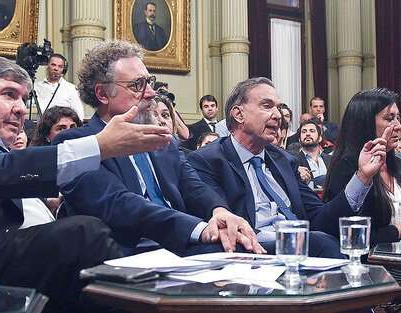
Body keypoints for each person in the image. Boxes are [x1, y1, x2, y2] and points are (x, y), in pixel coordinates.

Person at [0, 55, 173, 312]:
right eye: (9, 95)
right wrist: (100, 146)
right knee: (82, 235)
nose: (22, 108)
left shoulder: (3, 150)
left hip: (16, 268)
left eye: (24, 99)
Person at [53, 40, 265, 257]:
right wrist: (199, 229)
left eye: (149, 82)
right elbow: (120, 205)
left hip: (181, 246)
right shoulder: (77, 145)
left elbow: (193, 188)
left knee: (249, 247)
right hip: (128, 255)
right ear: (103, 94)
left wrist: (218, 211)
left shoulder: (164, 141)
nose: (151, 93)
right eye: (137, 85)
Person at [188, 77, 388, 257]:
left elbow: (321, 219)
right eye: (267, 106)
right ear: (239, 114)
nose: (278, 115)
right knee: (323, 244)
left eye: (278, 107)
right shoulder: (207, 160)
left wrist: (362, 177)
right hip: (254, 252)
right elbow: (217, 222)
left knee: (327, 241)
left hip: (303, 248)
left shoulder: (284, 160)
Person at [324, 88, 401, 246]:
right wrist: (397, 230)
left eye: (398, 117)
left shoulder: (397, 164)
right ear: (366, 123)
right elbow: (350, 236)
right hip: (373, 265)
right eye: (389, 119)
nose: (398, 125)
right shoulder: (348, 165)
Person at [34, 54, 84, 120]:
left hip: (64, 129)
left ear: (63, 69)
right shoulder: (36, 87)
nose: (56, 68)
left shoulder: (71, 88)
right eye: (53, 65)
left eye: (60, 66)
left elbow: (79, 114)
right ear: (47, 65)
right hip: (42, 127)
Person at [297, 119, 332, 188]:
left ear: (320, 138)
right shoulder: (294, 160)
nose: (307, 134)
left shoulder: (331, 159)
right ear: (299, 139)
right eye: (304, 132)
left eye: (312, 131)